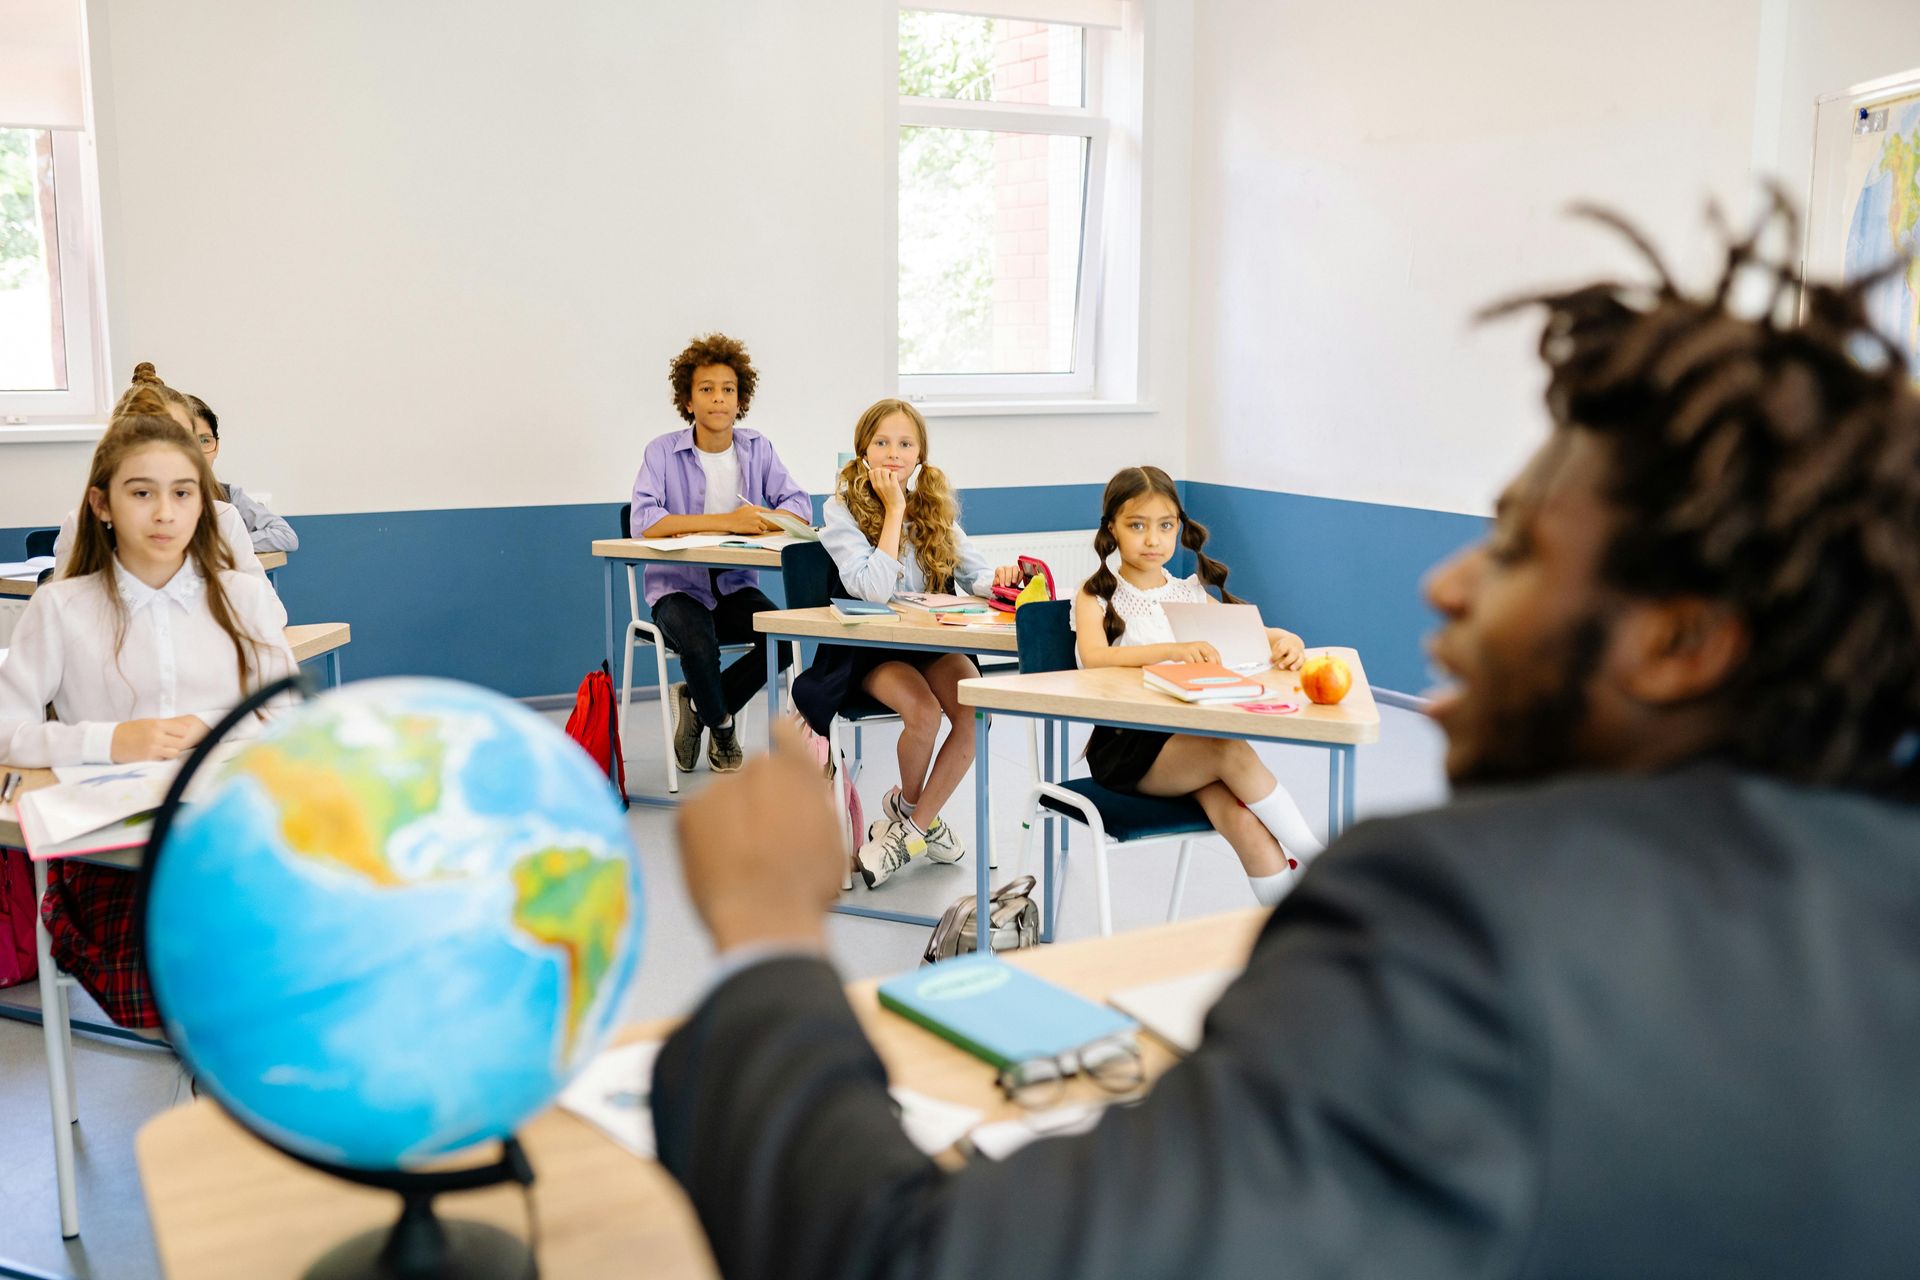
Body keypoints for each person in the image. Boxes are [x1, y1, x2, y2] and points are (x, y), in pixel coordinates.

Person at [652, 200, 1920, 1279]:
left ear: (1684, 640)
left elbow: (903, 1254)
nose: (1449, 585)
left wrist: (768, 931)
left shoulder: (1448, 934)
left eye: (1521, 546)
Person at [1, 407, 298, 1028]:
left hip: (228, 831)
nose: (165, 513)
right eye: (142, 493)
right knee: (169, 971)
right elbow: (9, 729)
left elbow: (284, 712)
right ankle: (219, 1067)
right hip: (110, 848)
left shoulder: (242, 597)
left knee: (289, 937)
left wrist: (218, 726)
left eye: (182, 493)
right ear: (102, 504)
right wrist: (113, 741)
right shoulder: (62, 606)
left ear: (202, 504)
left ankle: (231, 1077)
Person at [797, 398, 1021, 888]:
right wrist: (895, 509)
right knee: (923, 713)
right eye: (881, 443)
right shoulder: (841, 510)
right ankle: (921, 819)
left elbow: (975, 571)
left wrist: (1000, 578)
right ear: (862, 454)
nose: (893, 454)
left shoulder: (935, 508)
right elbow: (873, 588)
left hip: (930, 637)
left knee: (976, 709)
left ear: (920, 456)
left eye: (904, 444)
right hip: (869, 646)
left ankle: (910, 823)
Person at [1073, 464, 1323, 900]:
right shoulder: (1097, 594)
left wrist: (1288, 639)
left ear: (1178, 529)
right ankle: (1323, 863)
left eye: (1165, 526)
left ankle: (1292, 934)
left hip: (1187, 744)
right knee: (1228, 748)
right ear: (1112, 528)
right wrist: (1170, 651)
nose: (1153, 539)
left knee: (1245, 822)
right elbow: (1095, 660)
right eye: (1137, 525)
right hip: (1129, 748)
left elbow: (1251, 637)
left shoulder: (1188, 593)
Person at [631, 333, 811, 774]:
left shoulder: (757, 449)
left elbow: (800, 508)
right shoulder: (662, 451)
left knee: (783, 639)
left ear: (740, 399)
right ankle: (724, 725)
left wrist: (762, 517)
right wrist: (728, 522)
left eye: (727, 389)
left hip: (733, 583)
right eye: (706, 389)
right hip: (675, 588)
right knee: (698, 642)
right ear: (688, 401)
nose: (718, 399)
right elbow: (645, 522)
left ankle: (701, 704)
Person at [51, 364, 268, 583]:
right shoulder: (79, 526)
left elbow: (264, 610)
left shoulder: (224, 518)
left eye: (178, 437)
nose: (164, 448)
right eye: (142, 493)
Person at [187, 393, 299, 553]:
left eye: (205, 441)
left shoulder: (229, 495)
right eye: (187, 440)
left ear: (217, 446)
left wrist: (226, 545)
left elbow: (286, 536)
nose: (197, 451)